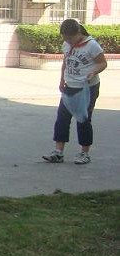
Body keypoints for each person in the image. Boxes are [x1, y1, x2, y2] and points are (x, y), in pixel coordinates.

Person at [42, 18, 107, 165]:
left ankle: (85, 153)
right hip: (70, 86)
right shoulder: (67, 44)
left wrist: (93, 72)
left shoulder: (92, 46)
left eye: (70, 38)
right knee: (62, 119)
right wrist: (61, 79)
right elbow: (65, 62)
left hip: (87, 88)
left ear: (78, 33)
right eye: (65, 39)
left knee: (83, 119)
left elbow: (103, 63)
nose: (68, 41)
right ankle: (58, 152)